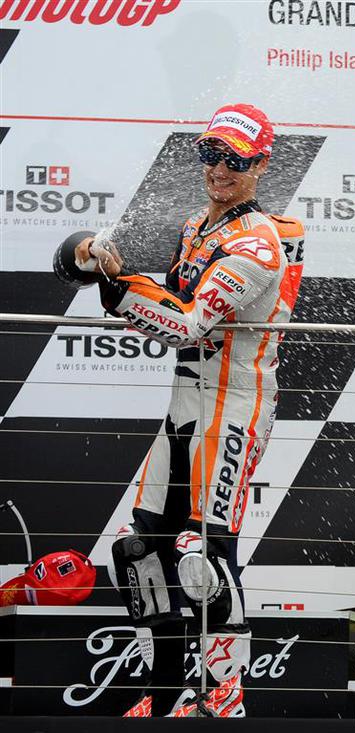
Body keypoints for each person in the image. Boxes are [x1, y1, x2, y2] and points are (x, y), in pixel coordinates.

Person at [64, 103, 304, 717]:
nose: (219, 169)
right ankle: (164, 690)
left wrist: (116, 282)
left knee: (205, 557)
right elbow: (173, 298)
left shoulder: (258, 245)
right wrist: (101, 264)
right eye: (210, 154)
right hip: (185, 399)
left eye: (235, 160)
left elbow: (189, 323)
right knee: (138, 549)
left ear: (260, 165)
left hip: (235, 402)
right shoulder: (198, 224)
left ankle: (224, 695)